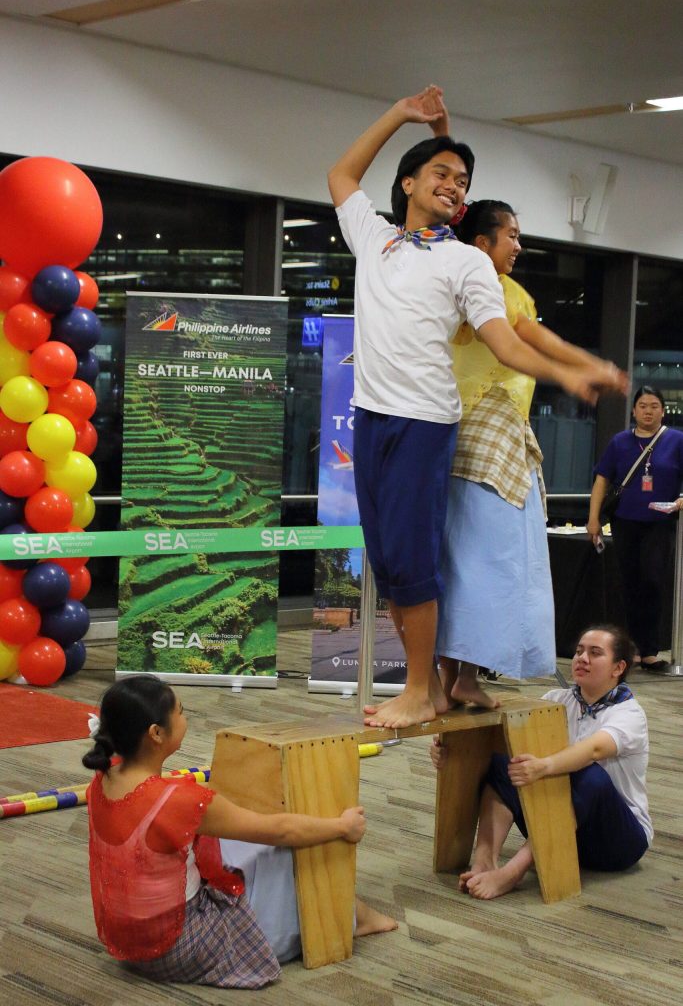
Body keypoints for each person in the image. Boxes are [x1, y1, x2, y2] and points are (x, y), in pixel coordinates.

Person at [328, 84, 629, 729]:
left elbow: (508, 342)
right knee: (386, 561)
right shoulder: (372, 240)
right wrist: (404, 115)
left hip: (426, 424)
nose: (455, 186)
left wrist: (565, 376)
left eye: (463, 182)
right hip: (374, 419)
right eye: (442, 174)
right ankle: (431, 687)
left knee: (413, 563)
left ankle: (417, 690)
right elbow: (342, 172)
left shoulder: (466, 261)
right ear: (406, 183)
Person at [435, 199, 628, 708]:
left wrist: (591, 365)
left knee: (486, 559)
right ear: (482, 243)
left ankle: (460, 677)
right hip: (477, 429)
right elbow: (523, 338)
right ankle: (454, 677)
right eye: (511, 236)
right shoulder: (474, 283)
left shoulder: (506, 289)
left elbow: (538, 334)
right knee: (477, 559)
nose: (519, 246)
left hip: (498, 434)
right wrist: (576, 371)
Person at [83, 675, 396, 988]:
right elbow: (281, 831)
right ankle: (351, 917)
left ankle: (353, 912)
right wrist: (342, 826)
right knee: (285, 850)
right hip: (175, 948)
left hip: (126, 945)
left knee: (234, 843)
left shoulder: (102, 780)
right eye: (181, 711)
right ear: (156, 733)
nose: (186, 717)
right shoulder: (175, 800)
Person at [431, 625, 652, 899]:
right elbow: (497, 744)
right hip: (564, 831)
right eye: (579, 651)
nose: (582, 658)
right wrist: (448, 752)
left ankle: (513, 873)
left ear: (618, 668)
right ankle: (484, 859)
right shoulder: (554, 700)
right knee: (501, 764)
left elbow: (594, 750)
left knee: (590, 776)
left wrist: (543, 767)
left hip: (617, 841)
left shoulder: (629, 714)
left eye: (595, 653)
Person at [587, 386, 683, 669]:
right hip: (625, 521)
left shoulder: (676, 440)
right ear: (633, 411)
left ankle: (651, 649)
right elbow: (602, 481)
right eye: (642, 405)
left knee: (652, 582)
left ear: (663, 410)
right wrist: (593, 519)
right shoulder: (620, 442)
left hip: (660, 522)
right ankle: (631, 648)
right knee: (628, 584)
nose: (648, 411)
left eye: (654, 405)